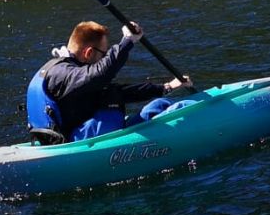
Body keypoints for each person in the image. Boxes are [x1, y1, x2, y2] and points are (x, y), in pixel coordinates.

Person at [28, 20, 192, 142]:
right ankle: (200, 115)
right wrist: (127, 41)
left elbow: (117, 92)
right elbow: (101, 74)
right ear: (89, 52)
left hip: (93, 135)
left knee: (160, 104)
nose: (105, 58)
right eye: (104, 54)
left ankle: (185, 106)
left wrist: (166, 87)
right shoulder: (62, 74)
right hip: (78, 144)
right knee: (180, 109)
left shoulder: (74, 75)